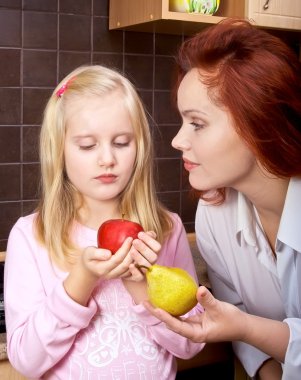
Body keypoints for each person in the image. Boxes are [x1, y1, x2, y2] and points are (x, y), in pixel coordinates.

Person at [4, 65, 204, 379]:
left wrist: (142, 286)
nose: (107, 159)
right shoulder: (32, 236)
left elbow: (191, 342)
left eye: (122, 143)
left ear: (140, 147)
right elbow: (26, 360)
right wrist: (81, 280)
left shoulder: (166, 228)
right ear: (60, 151)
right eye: (87, 145)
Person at [143, 18, 301, 380]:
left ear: (260, 121)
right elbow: (234, 315)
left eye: (196, 123)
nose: (177, 141)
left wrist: (245, 328)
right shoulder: (215, 214)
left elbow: (241, 325)